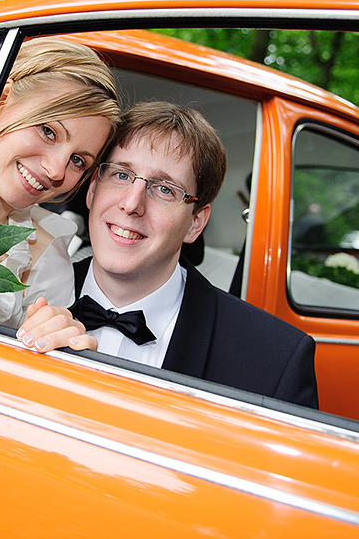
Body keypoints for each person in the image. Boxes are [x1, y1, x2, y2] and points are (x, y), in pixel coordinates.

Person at [16, 101, 319, 409]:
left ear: (195, 223)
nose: (132, 203)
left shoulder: (275, 360)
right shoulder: (17, 297)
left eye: (164, 190)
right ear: (93, 190)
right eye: (121, 175)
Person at [0, 37, 121, 328]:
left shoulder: (49, 266)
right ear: (1, 102)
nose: (56, 170)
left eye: (78, 161)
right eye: (48, 131)